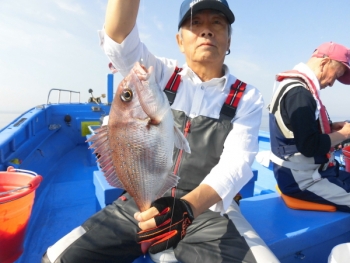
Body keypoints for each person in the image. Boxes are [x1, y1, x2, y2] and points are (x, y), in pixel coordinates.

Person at [42, 0, 279, 262]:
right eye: (196, 23)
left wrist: (187, 208)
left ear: (229, 40)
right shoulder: (159, 74)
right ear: (180, 41)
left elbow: (236, 164)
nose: (207, 31)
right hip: (141, 201)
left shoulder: (247, 97)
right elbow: (118, 38)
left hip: (207, 211)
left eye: (217, 23)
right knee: (57, 258)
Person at [269, 42, 350, 211]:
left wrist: (331, 127)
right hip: (302, 180)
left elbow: (298, 128)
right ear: (324, 63)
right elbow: (309, 145)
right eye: (336, 76)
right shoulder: (299, 94)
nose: (332, 83)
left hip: (317, 172)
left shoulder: (296, 87)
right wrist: (344, 134)